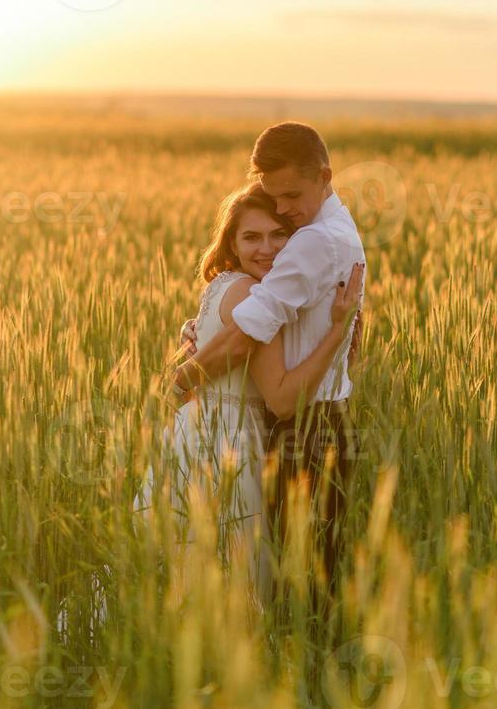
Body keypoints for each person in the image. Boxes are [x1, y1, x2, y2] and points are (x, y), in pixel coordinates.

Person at [134, 180, 362, 606]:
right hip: (229, 446)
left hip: (197, 435)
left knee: (183, 561)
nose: (268, 249)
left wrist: (181, 375)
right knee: (228, 571)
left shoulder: (228, 285)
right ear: (232, 244)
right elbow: (279, 397)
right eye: (252, 237)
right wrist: (338, 329)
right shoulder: (254, 296)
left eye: (279, 236)